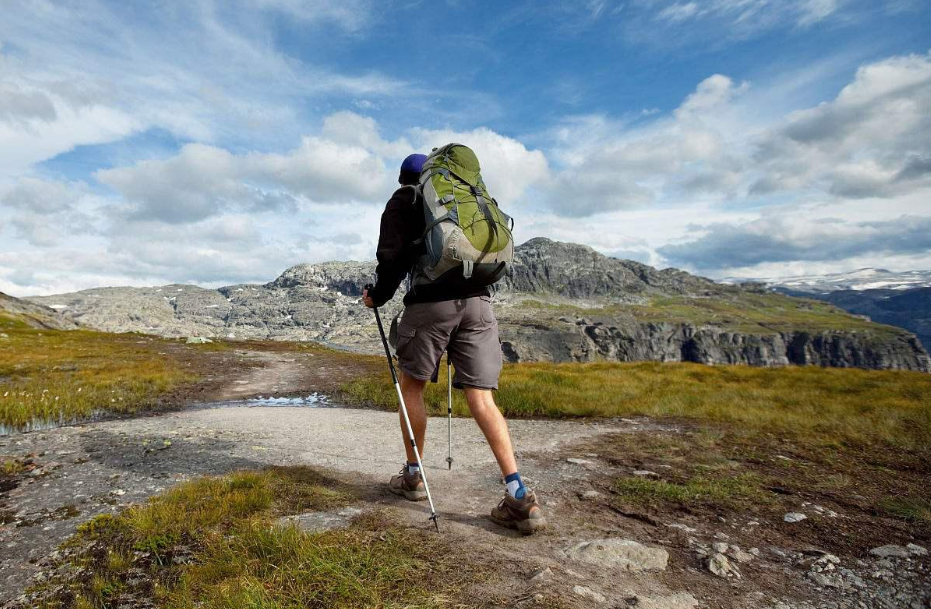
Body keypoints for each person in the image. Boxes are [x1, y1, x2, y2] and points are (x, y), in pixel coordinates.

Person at [361, 152, 546, 534]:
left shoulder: (405, 199)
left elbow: (392, 260)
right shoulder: (463, 198)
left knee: (412, 387)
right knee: (482, 398)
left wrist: (376, 297)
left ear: (404, 178)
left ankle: (413, 476)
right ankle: (518, 494)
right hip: (479, 303)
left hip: (431, 306)